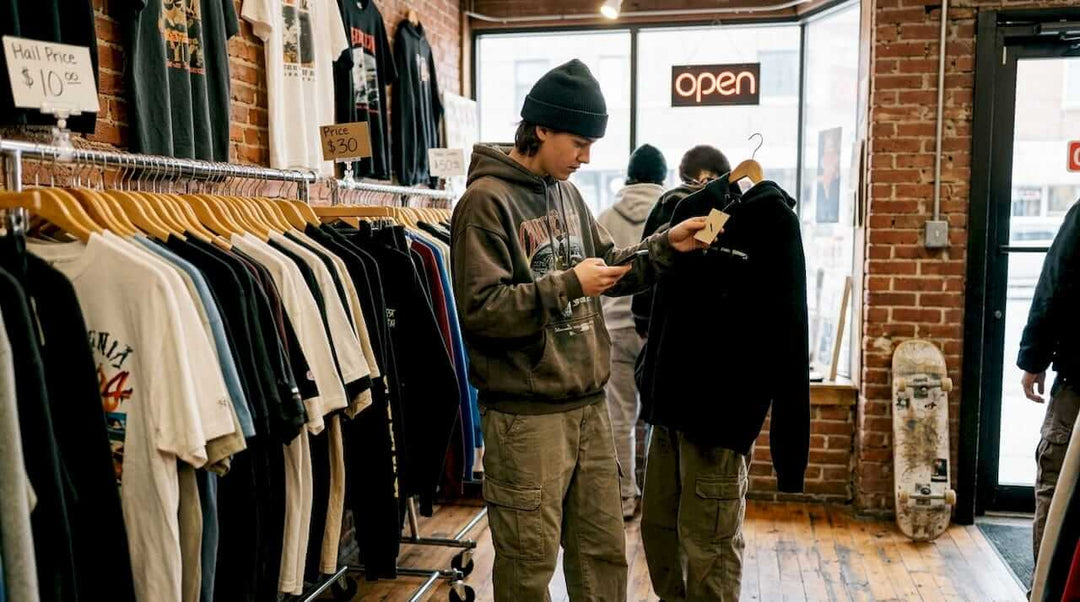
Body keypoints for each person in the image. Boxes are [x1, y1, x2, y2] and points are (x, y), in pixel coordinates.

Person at [450, 59, 709, 602]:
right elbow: (481, 311)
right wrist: (567, 285)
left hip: (588, 407)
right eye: (578, 142)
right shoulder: (484, 203)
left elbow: (609, 267)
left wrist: (666, 244)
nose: (586, 156)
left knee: (602, 554)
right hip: (527, 418)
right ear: (540, 129)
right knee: (527, 567)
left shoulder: (566, 193)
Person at [596, 143, 668, 520]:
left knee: (620, 417)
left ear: (628, 176)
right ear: (662, 177)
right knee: (665, 419)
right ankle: (662, 502)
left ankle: (624, 497)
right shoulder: (673, 212)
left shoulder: (605, 217)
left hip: (616, 330)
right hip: (660, 332)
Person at [1019, 198, 1080, 568]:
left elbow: (1056, 283)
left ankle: (1046, 589)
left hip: (1078, 383)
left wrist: (1033, 360)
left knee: (1058, 490)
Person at [632, 144, 731, 338]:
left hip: (670, 322)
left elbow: (650, 258)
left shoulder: (670, 203)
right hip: (715, 325)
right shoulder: (724, 210)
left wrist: (641, 317)